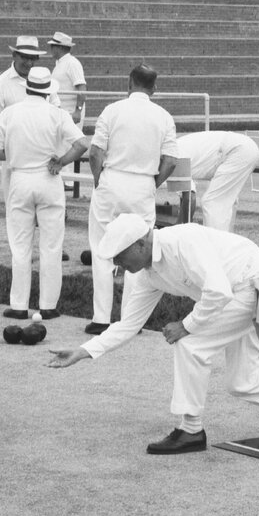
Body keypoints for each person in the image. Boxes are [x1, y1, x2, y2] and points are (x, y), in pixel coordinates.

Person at [48, 215, 259, 455]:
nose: (117, 265)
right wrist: (84, 351)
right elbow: (129, 324)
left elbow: (217, 291)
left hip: (257, 284)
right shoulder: (146, 273)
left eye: (119, 257)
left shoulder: (182, 241)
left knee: (190, 343)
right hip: (234, 293)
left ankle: (191, 429)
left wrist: (186, 325)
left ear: (140, 244)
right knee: (242, 381)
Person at [85, 64, 178, 335]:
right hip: (143, 184)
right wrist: (152, 183)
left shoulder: (112, 110)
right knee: (139, 249)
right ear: (154, 88)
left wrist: (98, 179)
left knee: (102, 247)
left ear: (129, 83)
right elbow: (171, 160)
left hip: (111, 179)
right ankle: (129, 322)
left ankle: (101, 318)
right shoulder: (163, 116)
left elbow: (94, 152)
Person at [0, 66, 86, 319]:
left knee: (20, 246)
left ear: (27, 87)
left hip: (20, 178)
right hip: (49, 177)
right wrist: (62, 161)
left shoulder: (10, 113)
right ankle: (48, 305)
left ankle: (19, 305)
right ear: (47, 92)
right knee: (51, 246)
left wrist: (17, 153)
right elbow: (82, 144)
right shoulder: (57, 114)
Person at [174, 131, 259, 232]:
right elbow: (185, 197)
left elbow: (190, 198)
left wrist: (178, 230)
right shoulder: (173, 152)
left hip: (238, 150)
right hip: (242, 147)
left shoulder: (173, 159)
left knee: (211, 202)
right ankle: (225, 242)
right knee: (224, 202)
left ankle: (216, 245)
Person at [0, 35, 62, 115]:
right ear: (14, 56)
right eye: (25, 57)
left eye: (33, 58)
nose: (29, 63)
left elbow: (56, 110)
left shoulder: (44, 81)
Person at [48, 32, 86, 124]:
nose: (51, 49)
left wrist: (78, 111)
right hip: (61, 113)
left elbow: (82, 88)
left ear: (60, 47)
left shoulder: (72, 63)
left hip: (71, 115)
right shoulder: (60, 64)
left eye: (53, 46)